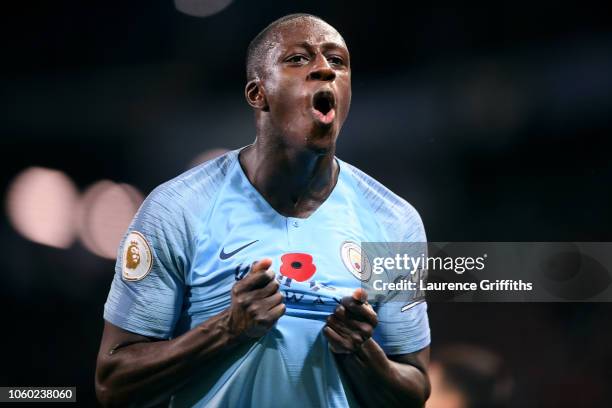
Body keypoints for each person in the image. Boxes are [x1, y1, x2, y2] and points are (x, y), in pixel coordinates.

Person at [95, 13, 431, 407]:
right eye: (298, 59)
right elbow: (113, 384)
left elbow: (415, 388)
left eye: (337, 62)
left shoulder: (393, 221)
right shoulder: (178, 208)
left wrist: (362, 352)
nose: (324, 69)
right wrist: (227, 330)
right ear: (258, 93)